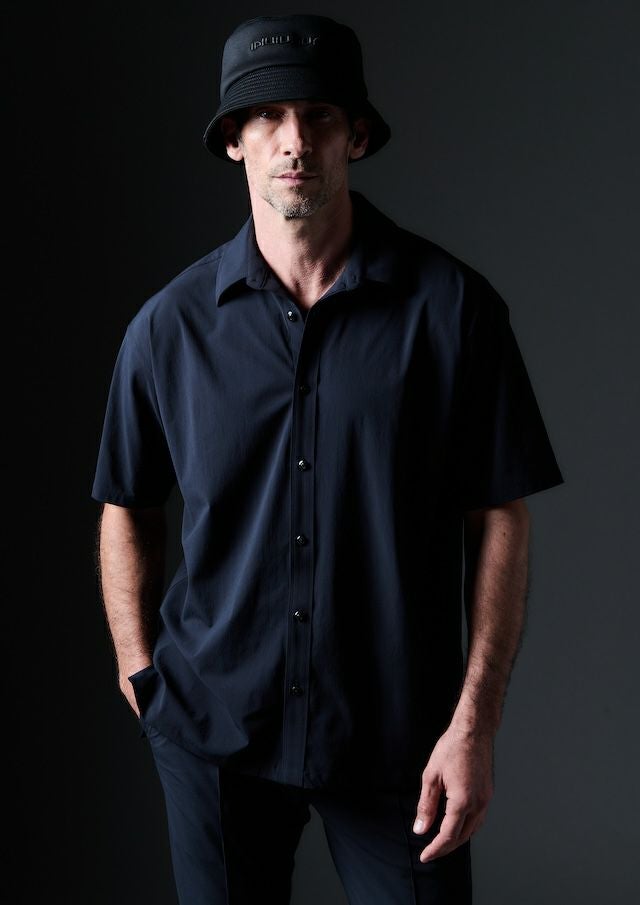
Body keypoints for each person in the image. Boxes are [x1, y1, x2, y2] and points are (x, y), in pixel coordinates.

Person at [91, 13, 564, 904]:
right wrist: (139, 668)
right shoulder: (167, 328)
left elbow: (500, 513)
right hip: (213, 731)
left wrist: (474, 721)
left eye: (318, 115)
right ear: (234, 141)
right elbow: (127, 501)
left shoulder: (454, 311)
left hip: (400, 744)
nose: (295, 141)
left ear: (358, 135)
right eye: (267, 116)